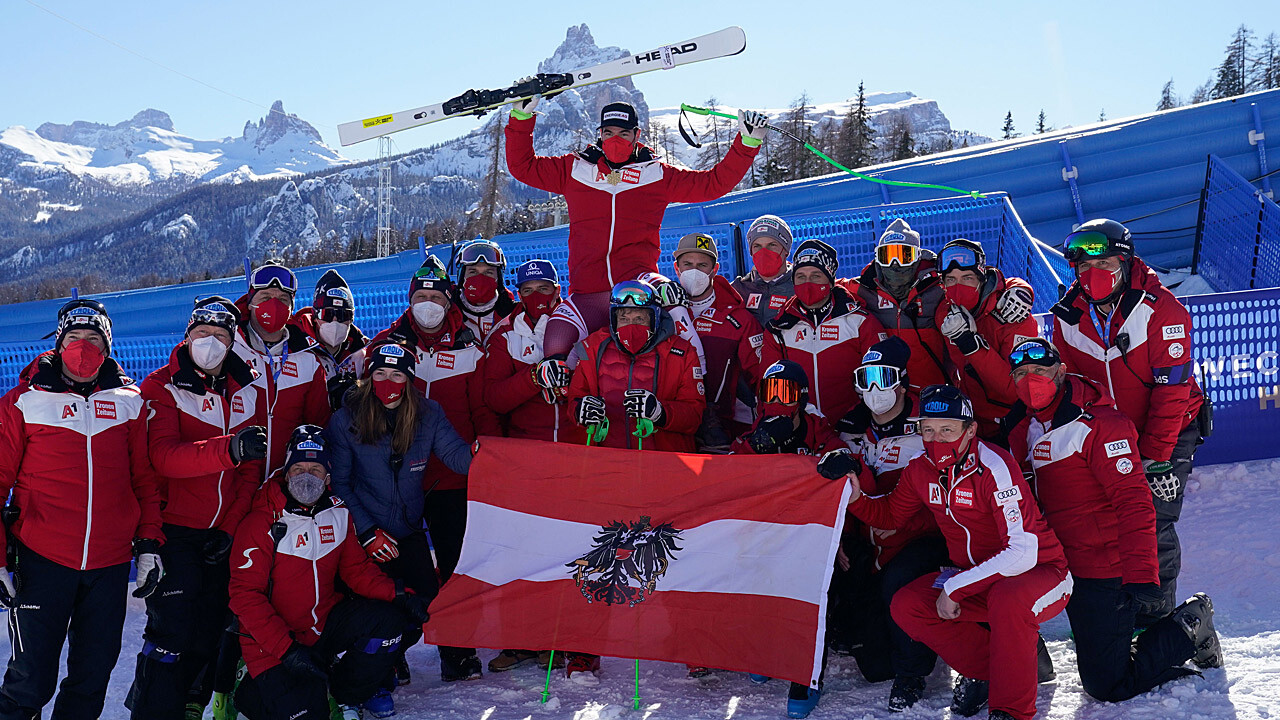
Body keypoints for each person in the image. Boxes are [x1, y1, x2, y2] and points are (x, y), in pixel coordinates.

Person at [1001, 339, 1221, 702]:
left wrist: (1140, 572)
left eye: (1039, 371)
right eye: (1021, 374)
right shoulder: (1024, 428)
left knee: (1106, 686)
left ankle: (1191, 626)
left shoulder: (1101, 424)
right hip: (1063, 563)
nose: (1030, 380)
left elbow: (1134, 501)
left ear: (1059, 372)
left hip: (1105, 567)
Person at [845, 384, 1071, 720]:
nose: (937, 440)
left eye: (947, 430)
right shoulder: (921, 469)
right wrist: (855, 498)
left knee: (1007, 600)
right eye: (928, 430)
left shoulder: (994, 465)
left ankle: (1011, 710)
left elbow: (1024, 550)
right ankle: (998, 670)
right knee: (908, 605)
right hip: (977, 578)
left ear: (970, 430)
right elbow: (891, 514)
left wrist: (955, 587)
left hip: (1040, 572)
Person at [0, 298, 164, 720]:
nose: (84, 346)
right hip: (44, 559)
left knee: (91, 680)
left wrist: (148, 543)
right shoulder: (23, 402)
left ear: (108, 347)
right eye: (75, 337)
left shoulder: (129, 401)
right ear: (58, 343)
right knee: (30, 681)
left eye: (94, 338)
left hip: (109, 564)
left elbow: (143, 479)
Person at [506, 98, 766, 359]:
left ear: (636, 135)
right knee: (556, 345)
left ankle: (697, 382)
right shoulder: (574, 169)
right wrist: (521, 118)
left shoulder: (655, 174)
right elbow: (522, 166)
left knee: (672, 302)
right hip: (587, 292)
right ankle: (575, 398)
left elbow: (713, 184)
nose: (614, 140)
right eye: (608, 133)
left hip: (638, 284)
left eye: (623, 133)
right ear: (599, 134)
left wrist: (747, 144)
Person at [1049, 218, 1207, 621]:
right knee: (1104, 521)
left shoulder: (1162, 311)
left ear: (1125, 261)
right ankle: (1114, 616)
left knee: (1152, 521)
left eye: (1103, 266)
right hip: (1109, 435)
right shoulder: (1068, 316)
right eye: (1083, 268)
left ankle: (1157, 617)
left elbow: (1171, 392)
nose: (1092, 276)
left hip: (1168, 429)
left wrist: (1155, 456)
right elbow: (1071, 381)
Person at [126, 298, 268, 720]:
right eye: (202, 334)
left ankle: (192, 705)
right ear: (187, 337)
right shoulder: (160, 387)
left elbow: (251, 469)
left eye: (221, 336)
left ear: (233, 342)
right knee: (172, 631)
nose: (211, 343)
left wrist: (229, 526)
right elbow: (164, 457)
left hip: (219, 532)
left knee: (210, 627)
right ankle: (153, 712)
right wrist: (229, 448)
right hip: (174, 529)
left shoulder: (246, 389)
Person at [229, 426, 430, 720]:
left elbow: (356, 570)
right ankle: (247, 687)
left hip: (322, 627)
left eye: (314, 468)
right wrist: (287, 650)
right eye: (298, 468)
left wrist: (399, 595)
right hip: (272, 645)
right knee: (305, 714)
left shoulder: (338, 512)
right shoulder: (262, 521)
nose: (306, 476)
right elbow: (244, 596)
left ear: (327, 476)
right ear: (285, 472)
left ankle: (344, 694)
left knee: (389, 624)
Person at [564, 279, 706, 678]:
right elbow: (573, 400)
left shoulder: (680, 350)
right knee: (596, 557)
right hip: (607, 472)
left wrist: (661, 414)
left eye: (639, 315)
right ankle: (586, 646)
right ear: (613, 317)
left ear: (653, 316)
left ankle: (689, 641)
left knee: (673, 557)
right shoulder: (593, 348)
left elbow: (696, 410)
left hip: (664, 470)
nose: (631, 322)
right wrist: (583, 411)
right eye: (624, 315)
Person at [367, 256, 499, 681]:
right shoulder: (386, 344)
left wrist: (492, 454)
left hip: (451, 476)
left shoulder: (467, 346)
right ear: (410, 300)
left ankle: (457, 650)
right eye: (420, 297)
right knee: (396, 568)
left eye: (436, 297)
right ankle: (392, 651)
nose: (428, 304)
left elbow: (482, 408)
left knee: (455, 565)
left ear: (449, 300)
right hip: (396, 479)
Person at [326, 340, 475, 691]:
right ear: (368, 376)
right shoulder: (346, 419)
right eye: (379, 373)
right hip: (365, 535)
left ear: (409, 380)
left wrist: (484, 455)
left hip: (407, 531)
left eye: (396, 375)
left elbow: (456, 456)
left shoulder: (428, 413)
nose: (388, 382)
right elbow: (341, 485)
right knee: (381, 607)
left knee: (425, 603)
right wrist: (366, 532)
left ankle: (392, 654)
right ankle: (376, 664)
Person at [727, 359, 862, 718]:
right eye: (769, 392)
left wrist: (841, 464)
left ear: (801, 397)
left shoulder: (820, 432)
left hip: (812, 539)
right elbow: (727, 485)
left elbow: (848, 467)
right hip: (767, 536)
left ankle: (806, 674)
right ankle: (766, 651)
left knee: (811, 592)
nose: (776, 400)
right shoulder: (753, 437)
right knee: (756, 580)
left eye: (784, 392)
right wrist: (758, 450)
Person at [832, 337, 948, 713]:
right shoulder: (850, 430)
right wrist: (841, 539)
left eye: (882, 377)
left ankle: (913, 674)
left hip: (923, 540)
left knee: (898, 589)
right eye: (864, 378)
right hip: (871, 542)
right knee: (875, 666)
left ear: (901, 382)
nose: (873, 389)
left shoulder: (927, 428)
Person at [762, 238, 886, 421]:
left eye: (816, 276)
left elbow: (880, 380)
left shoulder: (859, 321)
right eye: (801, 277)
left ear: (830, 281)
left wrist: (864, 417)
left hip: (853, 429)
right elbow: (767, 386)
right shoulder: (778, 328)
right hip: (801, 430)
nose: (807, 282)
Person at [233, 262, 333, 477]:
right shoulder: (228, 349)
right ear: (250, 303)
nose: (273, 305)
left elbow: (318, 426)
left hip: (284, 484)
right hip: (233, 478)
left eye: (282, 300)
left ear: (291, 308)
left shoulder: (308, 361)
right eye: (265, 297)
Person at [934, 239, 1039, 440]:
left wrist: (971, 345)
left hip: (1015, 422)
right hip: (970, 418)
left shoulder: (1012, 314)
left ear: (981, 279)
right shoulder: (944, 312)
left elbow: (1015, 390)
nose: (958, 286)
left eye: (967, 278)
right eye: (951, 280)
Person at [671, 232, 767, 447]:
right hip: (670, 423)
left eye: (702, 265)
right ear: (676, 268)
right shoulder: (661, 311)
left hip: (722, 430)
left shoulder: (738, 319)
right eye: (687, 264)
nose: (694, 271)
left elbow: (760, 375)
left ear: (714, 270)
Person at [291, 270, 367, 409]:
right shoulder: (296, 349)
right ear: (315, 315)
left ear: (351, 319)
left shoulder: (361, 355)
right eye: (328, 314)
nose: (335, 321)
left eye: (343, 315)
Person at [732, 214, 797, 328]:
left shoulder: (800, 285)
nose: (764, 252)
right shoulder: (738, 289)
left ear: (786, 251)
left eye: (772, 245)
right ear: (751, 252)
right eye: (757, 246)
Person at [453, 238, 516, 344]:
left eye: (489, 273)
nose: (480, 279)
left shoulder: (512, 314)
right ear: (462, 276)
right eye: (473, 272)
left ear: (499, 277)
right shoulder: (448, 312)